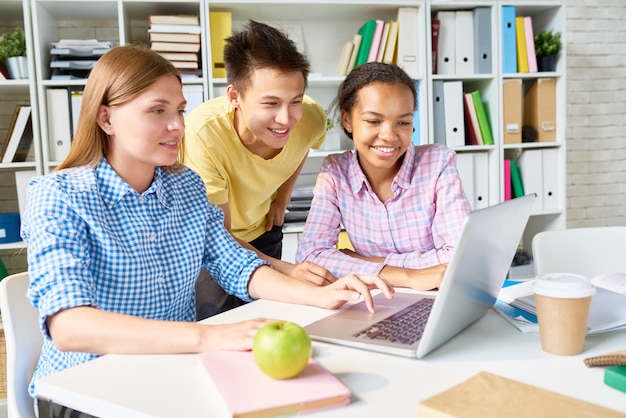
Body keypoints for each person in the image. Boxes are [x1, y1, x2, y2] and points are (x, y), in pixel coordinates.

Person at [20, 45, 394, 405]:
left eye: (180, 110)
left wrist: (324, 294)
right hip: (87, 389)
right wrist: (210, 336)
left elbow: (235, 263)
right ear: (106, 118)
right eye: (157, 111)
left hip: (176, 374)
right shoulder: (58, 196)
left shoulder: (185, 186)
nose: (176, 126)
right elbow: (69, 327)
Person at [184, 20, 335, 316]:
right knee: (223, 325)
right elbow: (221, 237)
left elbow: (303, 146)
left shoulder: (311, 119)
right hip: (214, 242)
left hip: (264, 228)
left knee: (269, 320)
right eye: (270, 103)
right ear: (234, 97)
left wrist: (282, 198)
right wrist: (285, 270)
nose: (286, 118)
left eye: (295, 101)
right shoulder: (204, 134)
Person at [296, 62, 472, 291]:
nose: (389, 135)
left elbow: (460, 257)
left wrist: (368, 262)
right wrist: (406, 276)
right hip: (373, 299)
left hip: (436, 298)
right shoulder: (335, 172)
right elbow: (310, 257)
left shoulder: (437, 163)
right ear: (348, 119)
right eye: (374, 121)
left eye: (403, 122)